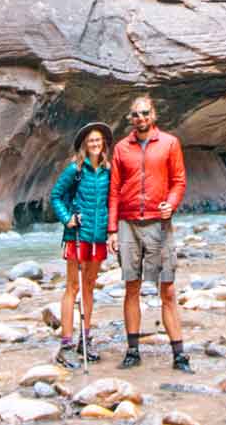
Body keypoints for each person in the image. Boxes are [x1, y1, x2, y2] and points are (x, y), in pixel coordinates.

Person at [106, 94, 191, 372]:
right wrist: (112, 230)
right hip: (128, 224)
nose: (140, 118)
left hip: (159, 224)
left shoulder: (170, 143)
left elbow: (179, 181)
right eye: (135, 114)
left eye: (144, 113)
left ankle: (179, 354)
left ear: (153, 114)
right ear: (130, 119)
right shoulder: (120, 148)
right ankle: (132, 351)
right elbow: (114, 190)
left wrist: (172, 203)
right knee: (132, 287)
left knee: (167, 288)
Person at [49, 121, 113, 368]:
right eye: (91, 141)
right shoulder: (74, 170)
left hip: (97, 237)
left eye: (98, 140)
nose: (95, 144)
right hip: (76, 234)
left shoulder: (108, 171)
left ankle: (84, 340)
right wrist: (67, 218)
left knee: (89, 286)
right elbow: (56, 196)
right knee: (72, 287)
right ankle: (65, 343)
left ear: (103, 143)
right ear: (85, 145)